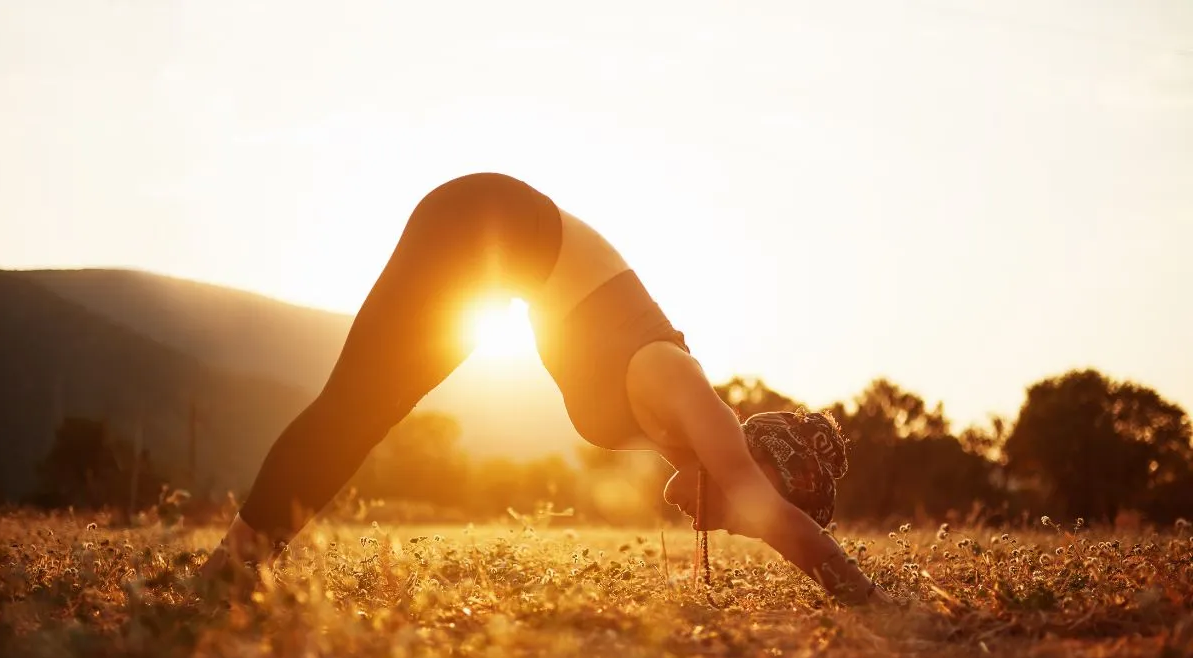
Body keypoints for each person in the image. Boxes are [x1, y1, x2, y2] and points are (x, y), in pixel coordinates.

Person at [200, 172, 890, 606]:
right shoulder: (687, 390)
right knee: (357, 408)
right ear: (755, 462)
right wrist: (871, 598)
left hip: (495, 252)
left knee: (363, 412)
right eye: (763, 504)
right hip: (491, 225)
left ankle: (234, 565)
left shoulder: (675, 428)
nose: (741, 522)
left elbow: (743, 499)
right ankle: (232, 568)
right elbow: (760, 505)